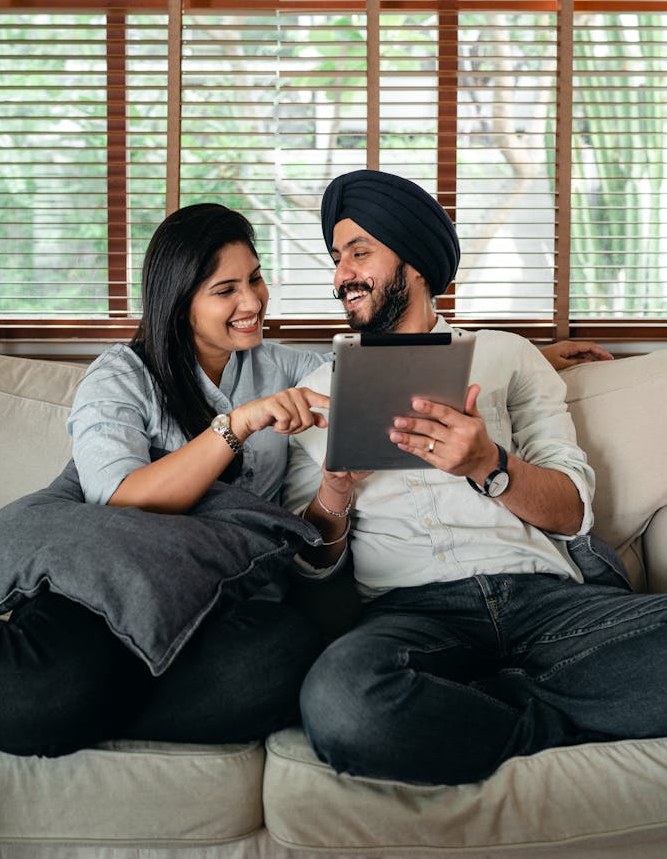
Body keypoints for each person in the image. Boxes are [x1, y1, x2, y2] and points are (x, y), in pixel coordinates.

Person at [282, 169, 667, 787]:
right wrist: (336, 491)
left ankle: (488, 707)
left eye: (359, 252)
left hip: (549, 603)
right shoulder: (316, 394)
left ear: (416, 264)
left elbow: (571, 512)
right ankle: (552, 717)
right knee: (342, 704)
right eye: (336, 258)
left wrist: (488, 466)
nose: (341, 276)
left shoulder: (508, 356)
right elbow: (311, 563)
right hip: (412, 616)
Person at [0, 203, 330, 758]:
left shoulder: (285, 368)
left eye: (255, 278)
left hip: (215, 600)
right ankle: (59, 700)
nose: (253, 301)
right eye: (225, 289)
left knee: (285, 655)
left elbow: (368, 392)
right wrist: (236, 424)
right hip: (107, 590)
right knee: (35, 695)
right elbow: (118, 497)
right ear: (178, 301)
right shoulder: (120, 375)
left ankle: (78, 708)